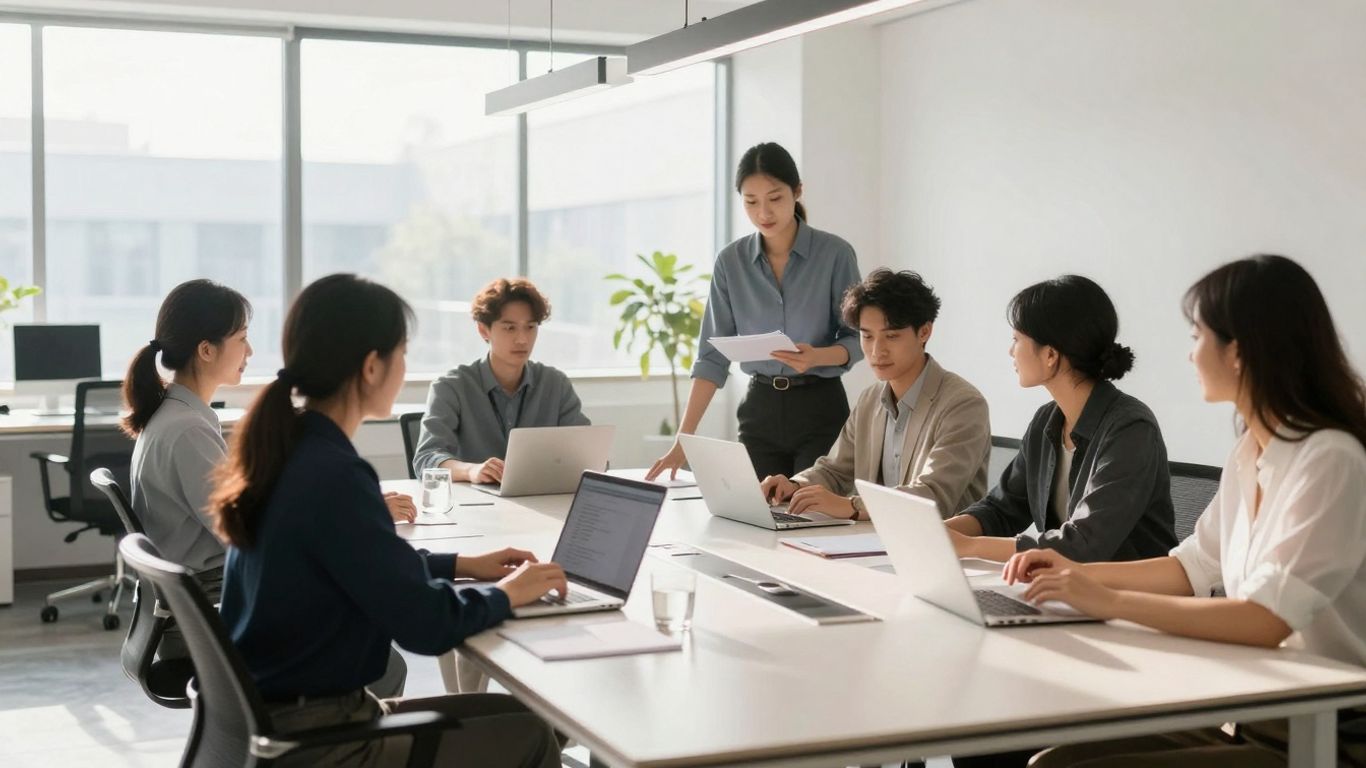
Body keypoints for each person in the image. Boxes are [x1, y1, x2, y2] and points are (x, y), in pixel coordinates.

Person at [1011, 255, 1366, 767]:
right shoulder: (1251, 452)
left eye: (1197, 337)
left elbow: (1267, 620)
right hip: (1249, 708)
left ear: (1238, 353)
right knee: (1051, 762)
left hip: (1324, 733)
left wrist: (1105, 599)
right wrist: (1074, 571)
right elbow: (1191, 567)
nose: (1190, 355)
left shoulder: (1331, 459)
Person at [211, 274, 567, 767]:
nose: (405, 367)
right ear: (372, 366)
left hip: (275, 720)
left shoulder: (292, 450)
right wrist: (509, 593)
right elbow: (425, 624)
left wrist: (464, 564)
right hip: (320, 739)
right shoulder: (334, 474)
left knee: (521, 720)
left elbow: (367, 562)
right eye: (402, 352)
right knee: (530, 732)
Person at [648, 141, 863, 481]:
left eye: (775, 198)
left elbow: (857, 338)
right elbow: (711, 358)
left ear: (797, 192)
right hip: (759, 410)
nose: (764, 212)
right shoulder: (730, 263)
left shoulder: (835, 254)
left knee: (813, 516)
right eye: (751, 202)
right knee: (755, 517)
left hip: (820, 407)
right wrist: (683, 440)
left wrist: (817, 356)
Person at [944, 275, 1177, 567]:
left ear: (1051, 354)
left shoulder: (1130, 429)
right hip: (1070, 592)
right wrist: (941, 531)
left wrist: (970, 546)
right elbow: (1003, 509)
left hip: (1134, 602)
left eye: (1016, 339)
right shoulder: (1046, 421)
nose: (1010, 350)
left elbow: (1082, 545)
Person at [759, 269, 991, 521]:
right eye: (867, 336)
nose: (877, 351)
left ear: (924, 332)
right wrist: (795, 486)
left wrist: (853, 506)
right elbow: (836, 470)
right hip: (873, 543)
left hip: (942, 548)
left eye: (891, 336)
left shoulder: (963, 404)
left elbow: (933, 495)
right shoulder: (870, 398)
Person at [413, 277, 589, 483]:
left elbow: (587, 456)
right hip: (474, 507)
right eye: (509, 328)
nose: (522, 339)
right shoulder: (451, 387)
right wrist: (472, 471)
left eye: (530, 327)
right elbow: (427, 459)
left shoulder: (555, 384)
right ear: (483, 330)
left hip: (539, 501)